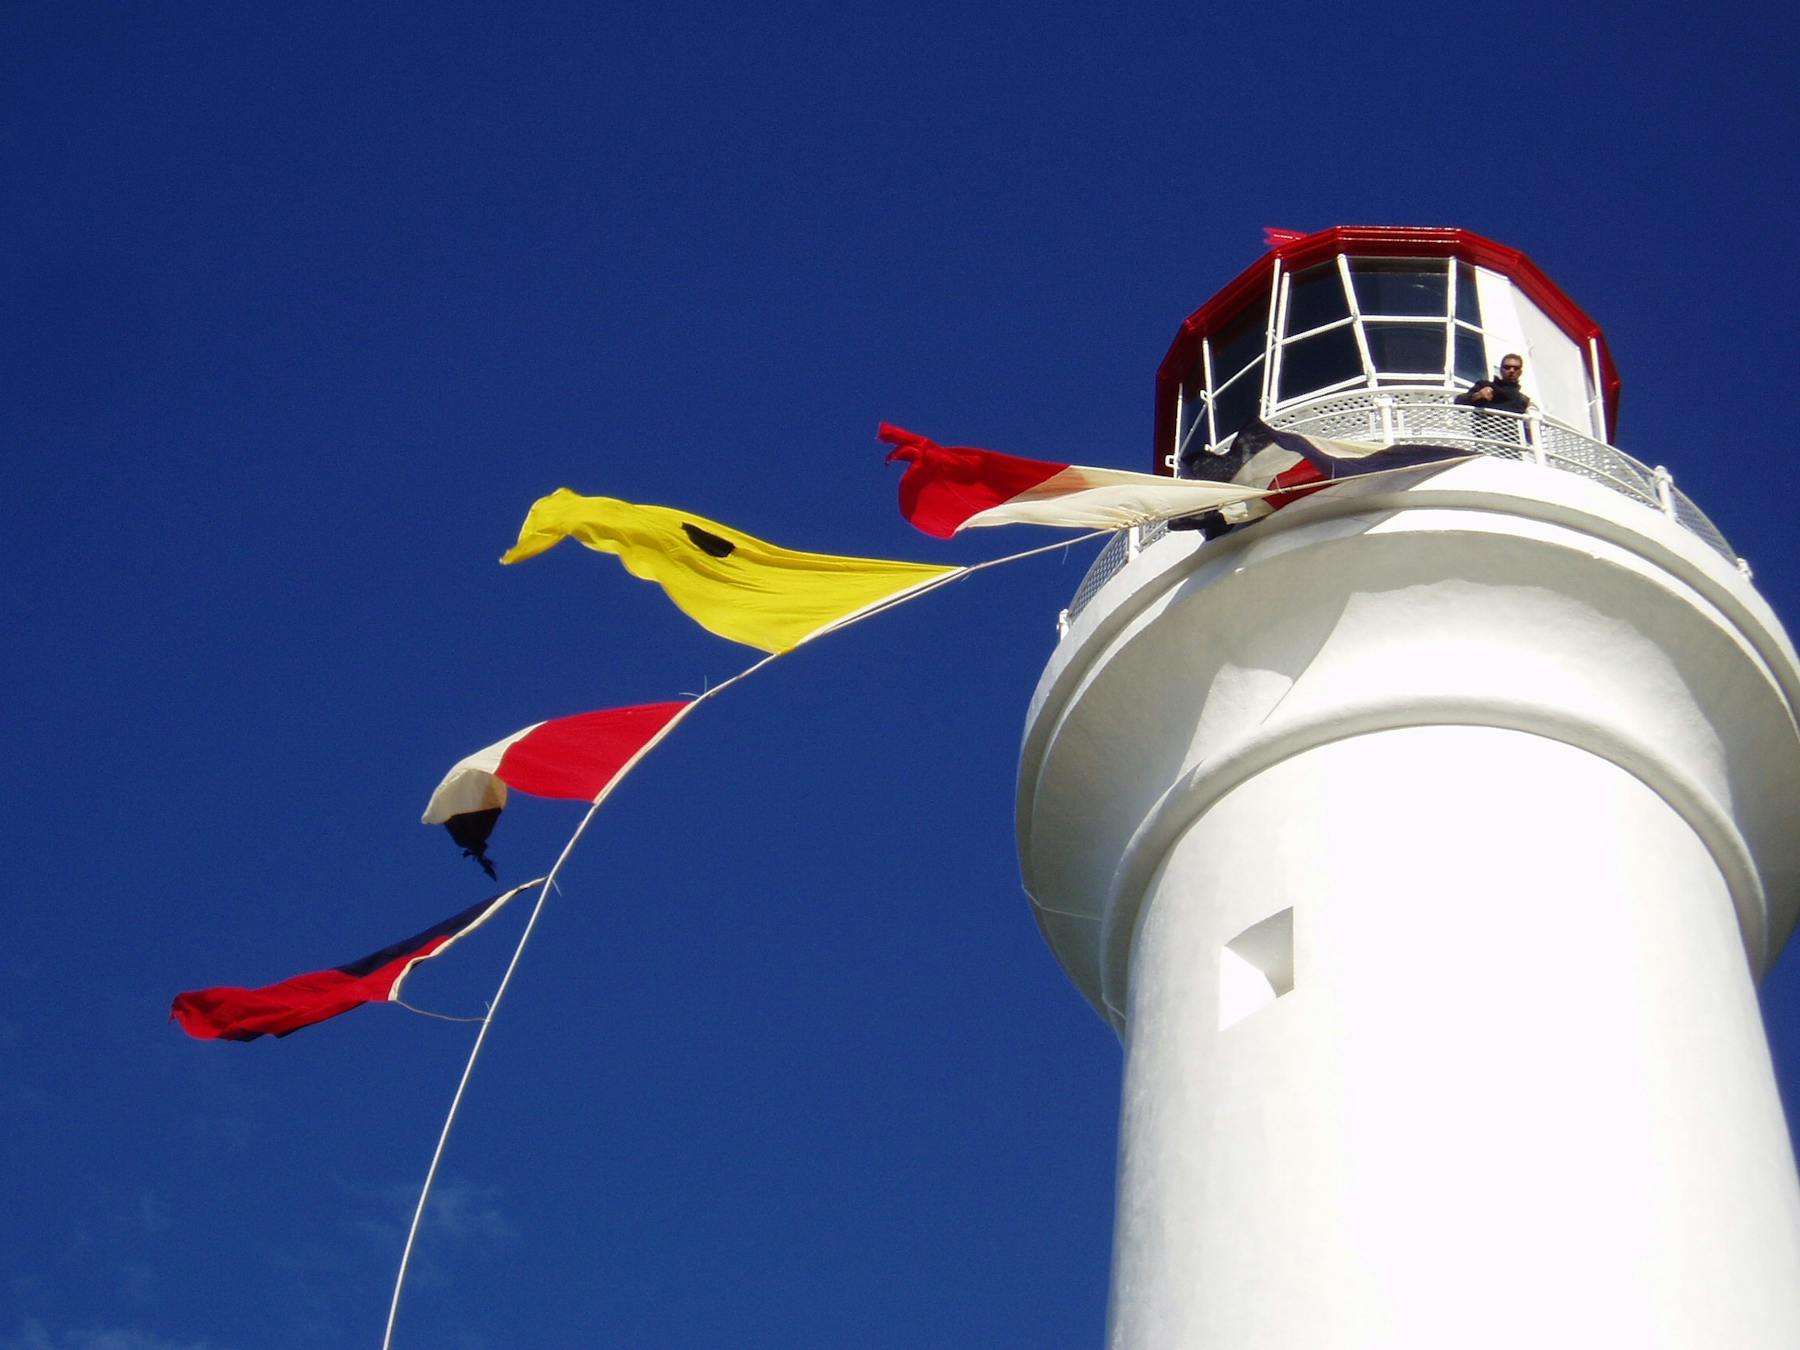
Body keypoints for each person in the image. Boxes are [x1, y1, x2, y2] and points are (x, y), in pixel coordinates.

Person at [1457, 353, 1532, 414]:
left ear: (1520, 372)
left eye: (1516, 368)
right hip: (1484, 431)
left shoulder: (1523, 400)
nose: (1511, 370)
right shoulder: (1484, 385)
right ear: (1500, 370)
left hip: (1509, 432)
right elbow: (1459, 403)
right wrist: (1477, 395)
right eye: (1507, 367)